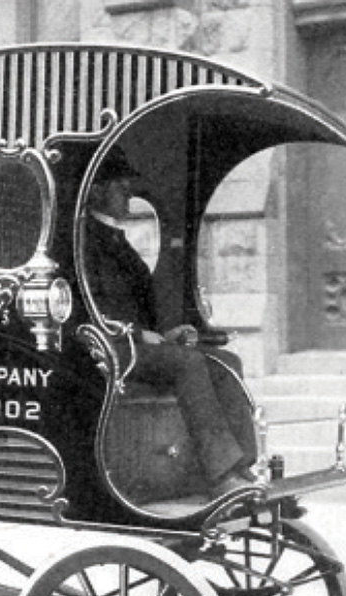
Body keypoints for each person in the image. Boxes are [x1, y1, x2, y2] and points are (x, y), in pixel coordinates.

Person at [82, 148, 258, 501]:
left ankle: (242, 466)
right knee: (188, 363)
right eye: (120, 186)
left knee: (228, 363)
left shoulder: (116, 239)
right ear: (97, 191)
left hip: (139, 345)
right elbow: (89, 307)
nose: (129, 192)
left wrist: (165, 336)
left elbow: (132, 305)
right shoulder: (85, 242)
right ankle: (221, 474)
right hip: (109, 348)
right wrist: (137, 334)